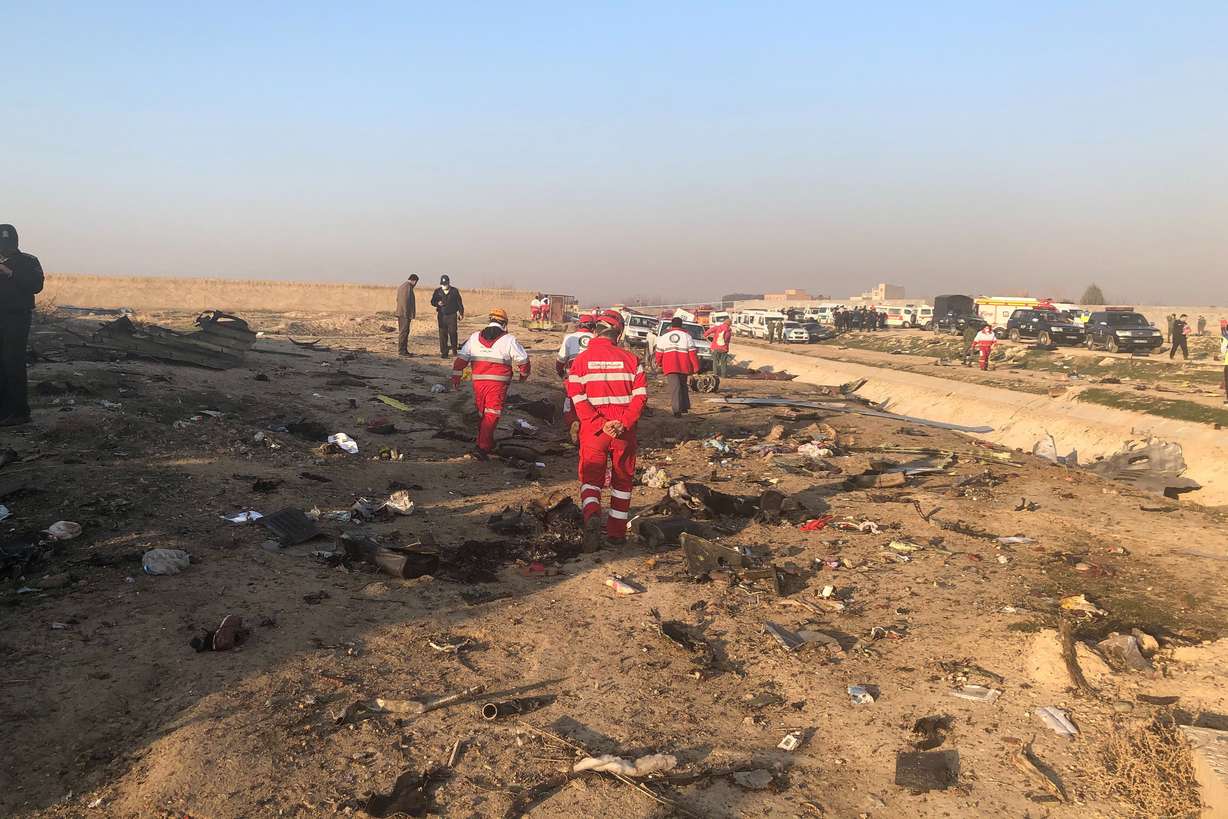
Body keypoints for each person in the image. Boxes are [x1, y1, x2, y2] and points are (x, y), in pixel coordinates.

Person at [566, 310, 648, 550]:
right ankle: (616, 533)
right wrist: (623, 422)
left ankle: (591, 513)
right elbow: (640, 396)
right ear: (618, 332)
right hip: (624, 432)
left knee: (591, 479)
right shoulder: (632, 359)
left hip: (595, 431)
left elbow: (576, 397)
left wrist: (597, 422)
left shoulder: (580, 362)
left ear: (595, 331)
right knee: (622, 481)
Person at [451, 308, 529, 459]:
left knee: (483, 413)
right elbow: (523, 361)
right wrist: (524, 376)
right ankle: (483, 447)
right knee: (492, 413)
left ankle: (484, 440)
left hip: (479, 382)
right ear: (504, 323)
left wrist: (456, 377)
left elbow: (461, 360)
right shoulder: (509, 340)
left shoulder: (474, 337)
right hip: (498, 384)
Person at [0, 225, 43, 426]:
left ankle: (19, 411)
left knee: (13, 362)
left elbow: (36, 285)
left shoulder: (28, 261)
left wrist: (8, 272)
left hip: (16, 318)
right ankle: (4, 410)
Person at [556, 312, 596, 437]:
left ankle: (572, 422)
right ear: (593, 326)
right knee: (590, 404)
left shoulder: (569, 337)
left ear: (579, 325)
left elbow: (561, 360)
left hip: (573, 376)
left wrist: (561, 373)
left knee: (570, 403)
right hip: (593, 378)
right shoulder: (596, 338)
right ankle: (588, 428)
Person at [654, 317, 700, 417]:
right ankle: (684, 407)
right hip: (684, 365)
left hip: (670, 366)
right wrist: (696, 366)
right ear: (681, 325)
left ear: (671, 325)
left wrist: (659, 363)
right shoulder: (687, 336)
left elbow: (659, 353)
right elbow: (692, 353)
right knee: (683, 386)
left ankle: (677, 410)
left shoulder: (664, 337)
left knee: (675, 388)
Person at [431, 275, 465, 358]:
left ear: (448, 283)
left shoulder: (454, 291)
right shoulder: (437, 291)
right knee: (442, 334)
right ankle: (444, 352)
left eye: (445, 284)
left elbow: (459, 303)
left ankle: (454, 349)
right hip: (441, 315)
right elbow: (432, 302)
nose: (444, 286)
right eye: (442, 284)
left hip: (452, 315)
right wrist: (437, 303)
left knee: (453, 333)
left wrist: (461, 313)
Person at [395, 274, 418, 356]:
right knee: (404, 332)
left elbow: (398, 299)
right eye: (416, 283)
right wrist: (406, 313)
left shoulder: (402, 286)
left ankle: (404, 350)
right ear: (414, 281)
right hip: (404, 314)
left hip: (402, 313)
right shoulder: (407, 287)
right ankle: (402, 351)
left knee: (404, 331)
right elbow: (405, 301)